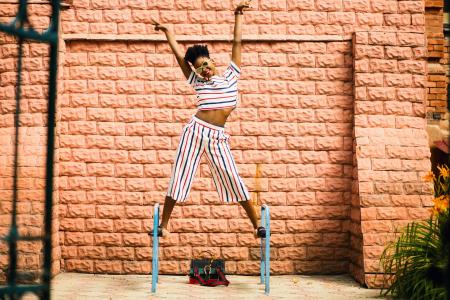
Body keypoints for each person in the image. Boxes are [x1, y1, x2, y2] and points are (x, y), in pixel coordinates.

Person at [151, 0, 265, 239]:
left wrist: (238, 15)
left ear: (213, 62)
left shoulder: (231, 77)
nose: (204, 69)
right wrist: (169, 33)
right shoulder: (197, 82)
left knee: (232, 176)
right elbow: (179, 58)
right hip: (194, 131)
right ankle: (164, 225)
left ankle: (256, 225)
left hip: (217, 137)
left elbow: (237, 43)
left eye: (206, 64)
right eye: (199, 67)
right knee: (180, 174)